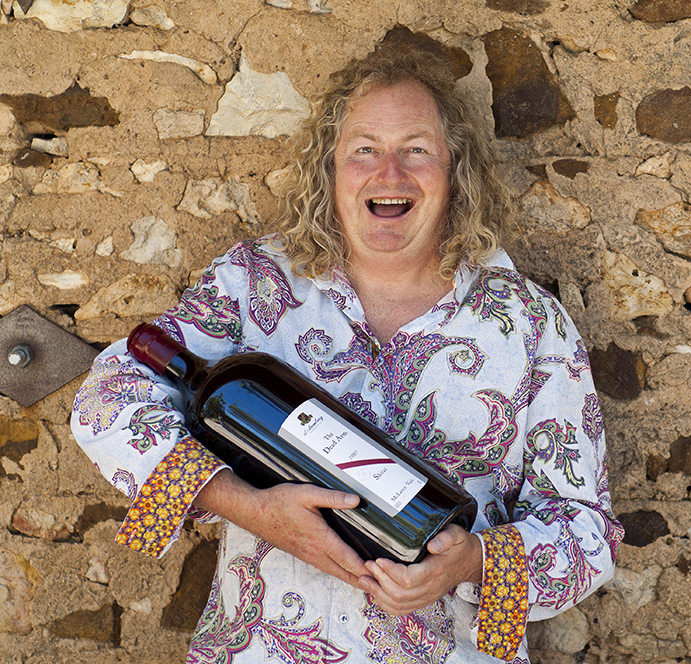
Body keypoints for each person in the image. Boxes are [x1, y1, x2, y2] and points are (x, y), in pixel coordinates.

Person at [72, 45, 622, 663]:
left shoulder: (528, 323)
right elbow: (106, 399)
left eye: (416, 149)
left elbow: (588, 532)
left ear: (455, 169)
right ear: (330, 168)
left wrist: (471, 563)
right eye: (364, 148)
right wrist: (247, 507)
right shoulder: (256, 286)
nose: (389, 172)